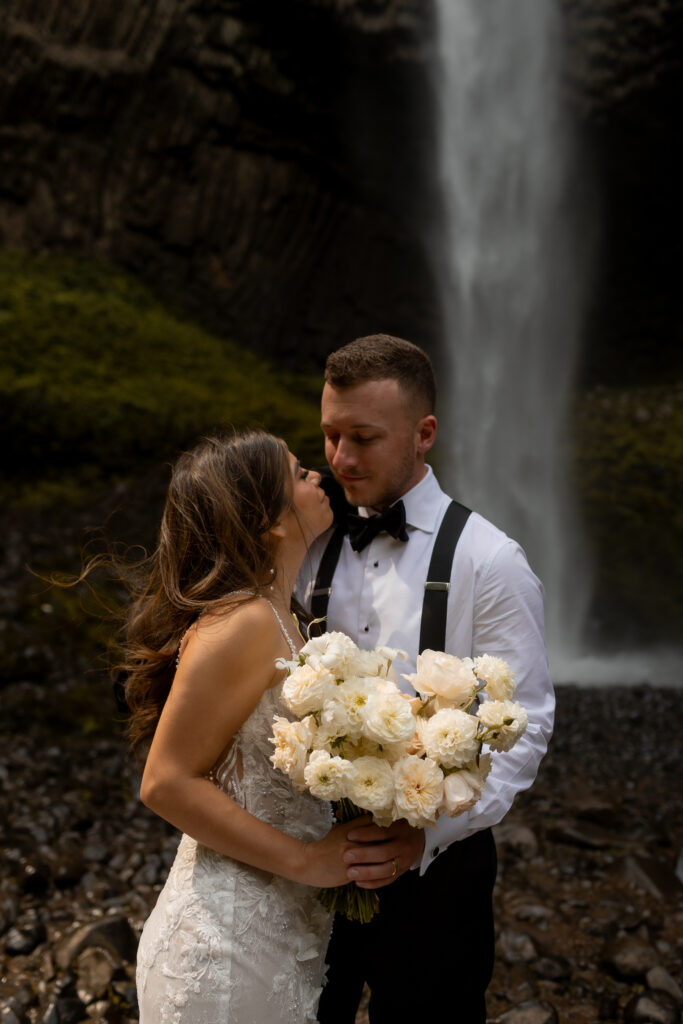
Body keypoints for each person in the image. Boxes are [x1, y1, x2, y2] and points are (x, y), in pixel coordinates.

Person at [297, 335, 555, 1024]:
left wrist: (426, 837)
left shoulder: (490, 561)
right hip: (307, 854)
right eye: (328, 436)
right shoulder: (306, 542)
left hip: (440, 872)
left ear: (423, 433)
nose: (341, 459)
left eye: (363, 438)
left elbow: (523, 725)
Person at [123, 431, 370, 1023]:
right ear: (268, 522)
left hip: (279, 932)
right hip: (225, 944)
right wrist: (310, 862)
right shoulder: (243, 622)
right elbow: (165, 782)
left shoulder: (283, 614)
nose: (318, 476)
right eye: (298, 473)